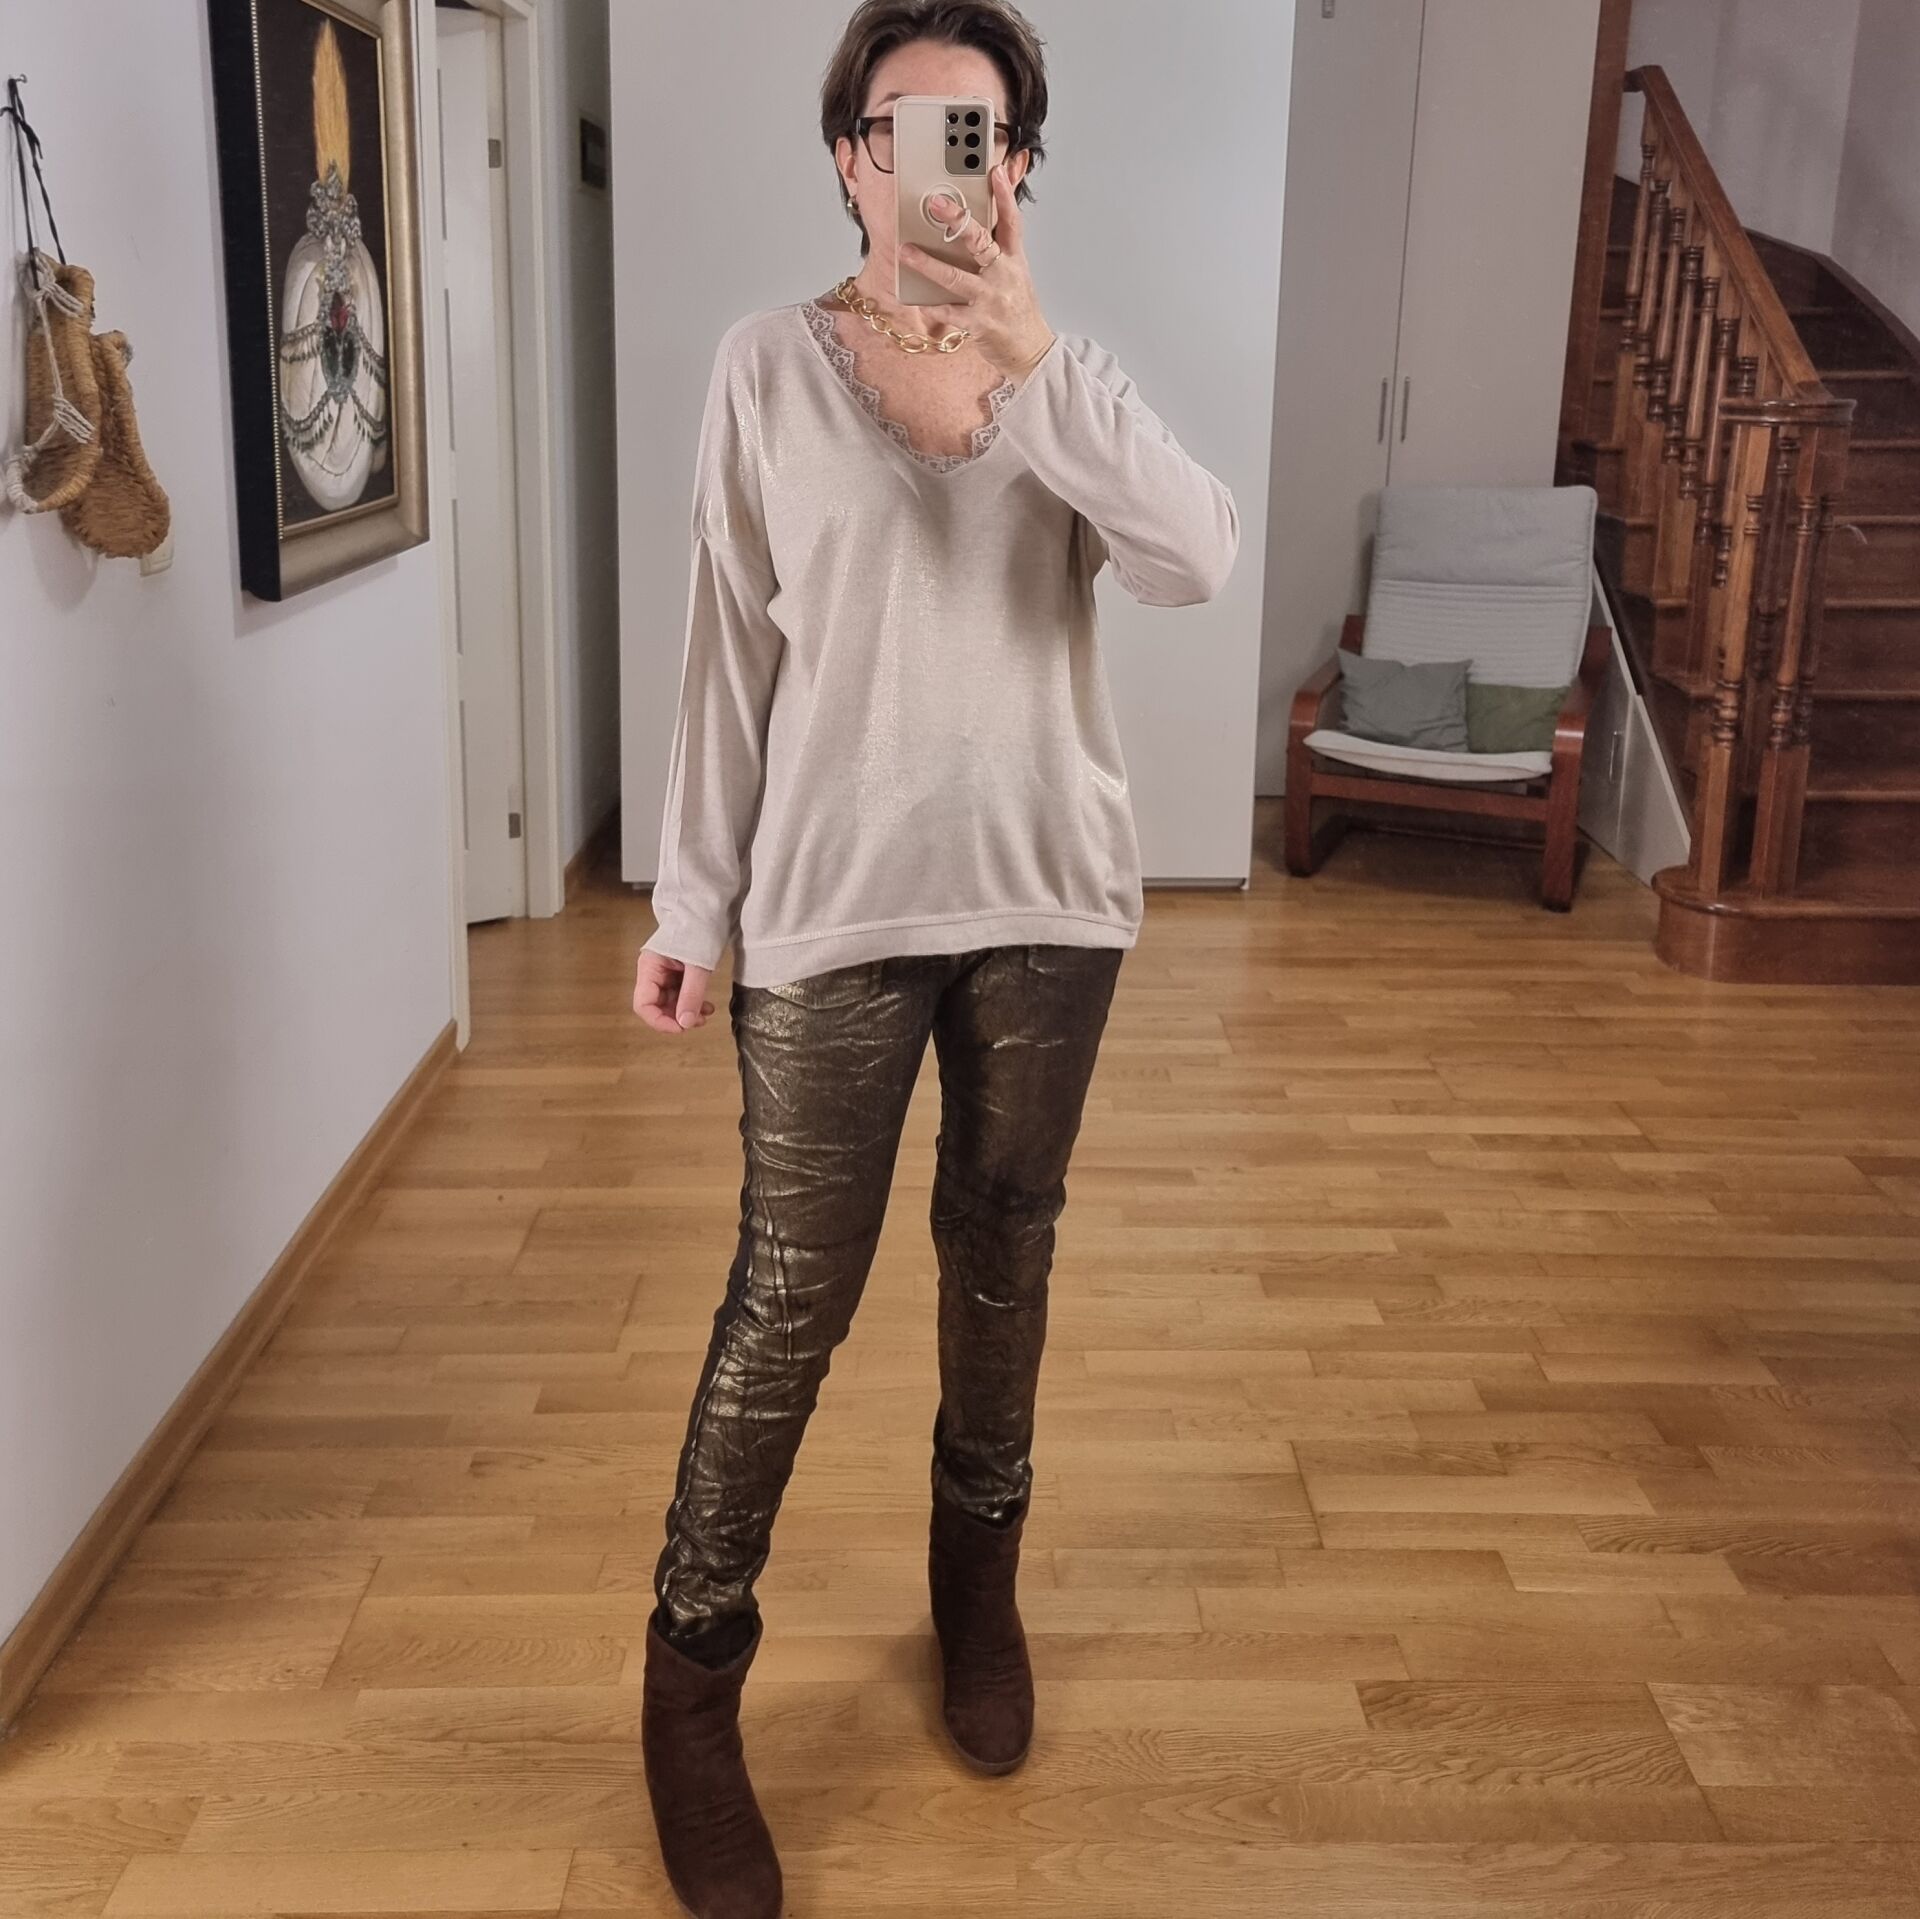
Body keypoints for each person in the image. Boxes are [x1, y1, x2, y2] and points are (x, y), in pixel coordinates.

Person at [628, 3, 1237, 1913]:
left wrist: (1033, 355)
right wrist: (690, 906)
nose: (938, 161)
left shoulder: (1067, 382)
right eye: (903, 125)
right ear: (848, 157)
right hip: (831, 908)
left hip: (1051, 904)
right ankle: (692, 1675)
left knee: (1003, 1252)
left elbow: (1200, 559)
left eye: (978, 132)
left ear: (1020, 167)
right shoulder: (763, 365)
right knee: (788, 1294)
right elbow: (726, 655)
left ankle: (977, 1589)